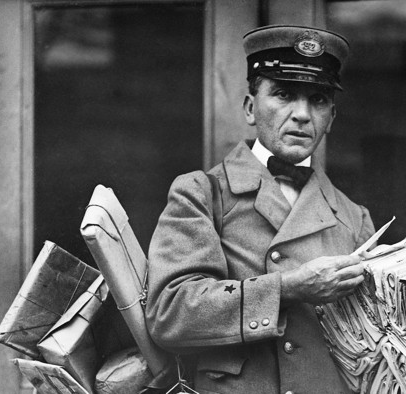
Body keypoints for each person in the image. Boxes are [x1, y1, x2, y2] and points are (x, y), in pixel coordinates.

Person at [145, 25, 375, 394]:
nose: (302, 114)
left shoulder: (354, 217)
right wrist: (287, 289)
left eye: (317, 100)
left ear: (331, 118)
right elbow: (170, 314)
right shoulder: (203, 194)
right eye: (284, 94)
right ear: (251, 108)